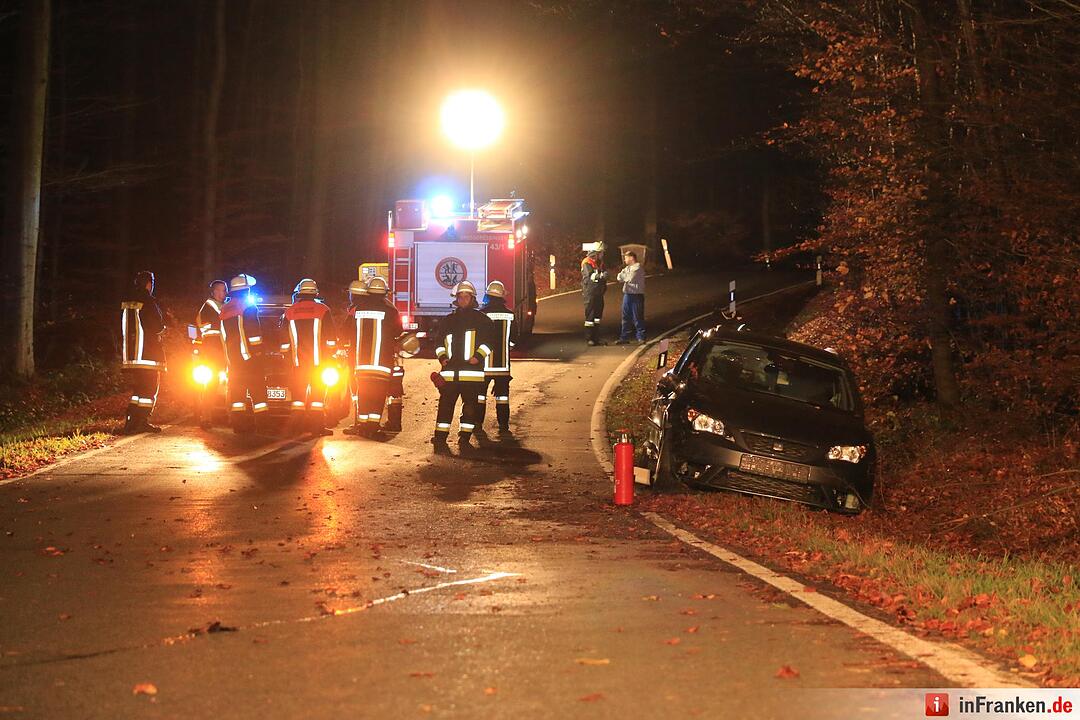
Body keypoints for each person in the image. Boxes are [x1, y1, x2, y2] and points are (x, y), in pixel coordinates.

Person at [432, 281, 492, 453]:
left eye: (467, 297)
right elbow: (439, 343)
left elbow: (489, 343)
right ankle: (440, 438)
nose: (463, 300)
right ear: (456, 299)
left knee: (470, 409)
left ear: (472, 299)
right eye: (461, 297)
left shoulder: (482, 320)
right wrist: (442, 357)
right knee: (445, 407)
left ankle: (464, 438)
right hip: (450, 375)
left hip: (472, 375)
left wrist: (478, 356)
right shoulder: (448, 321)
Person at [343, 276, 401, 437]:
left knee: (363, 393)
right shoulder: (391, 311)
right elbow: (398, 331)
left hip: (361, 363)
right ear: (384, 294)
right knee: (377, 395)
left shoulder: (357, 310)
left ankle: (362, 425)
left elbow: (345, 332)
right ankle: (372, 428)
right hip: (381, 363)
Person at [280, 278, 337, 435]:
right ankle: (316, 428)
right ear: (315, 293)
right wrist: (331, 354)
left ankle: (297, 428)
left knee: (298, 398)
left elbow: (283, 341)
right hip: (319, 363)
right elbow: (331, 338)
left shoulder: (289, 312)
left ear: (299, 293)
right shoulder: (323, 310)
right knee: (317, 398)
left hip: (297, 363)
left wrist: (286, 358)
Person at [120, 270, 166, 434]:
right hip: (148, 353)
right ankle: (141, 421)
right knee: (149, 390)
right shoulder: (148, 301)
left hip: (132, 355)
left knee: (138, 390)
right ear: (149, 283)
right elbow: (158, 326)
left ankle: (131, 421)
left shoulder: (127, 301)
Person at [219, 273, 267, 433]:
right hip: (249, 358)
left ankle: (239, 426)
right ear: (246, 290)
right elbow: (254, 334)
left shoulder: (224, 309)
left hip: (233, 360)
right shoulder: (248, 307)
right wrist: (259, 353)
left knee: (237, 396)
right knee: (258, 393)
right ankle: (262, 425)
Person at [477, 280, 514, 435]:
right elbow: (514, 339)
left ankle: (477, 425)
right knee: (502, 398)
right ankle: (503, 426)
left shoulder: (481, 314)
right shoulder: (510, 315)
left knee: (479, 397)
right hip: (502, 366)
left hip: (482, 365)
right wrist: (506, 348)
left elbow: (477, 338)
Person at [193, 280, 227, 427]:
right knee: (211, 386)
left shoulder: (223, 307)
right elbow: (204, 328)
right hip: (213, 353)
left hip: (223, 352)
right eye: (219, 291)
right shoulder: (209, 307)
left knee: (225, 386)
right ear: (213, 292)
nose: (222, 293)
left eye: (224, 291)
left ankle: (229, 416)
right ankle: (205, 418)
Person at [616, 250, 646, 344]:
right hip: (627, 295)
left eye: (626, 257)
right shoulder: (627, 268)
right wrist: (624, 276)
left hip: (636, 295)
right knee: (625, 317)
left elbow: (629, 278)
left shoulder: (637, 268)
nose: (624, 259)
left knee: (637, 317)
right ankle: (624, 337)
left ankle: (641, 337)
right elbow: (619, 277)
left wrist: (624, 276)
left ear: (631, 258)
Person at [580, 242, 607, 346]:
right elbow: (590, 276)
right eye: (601, 252)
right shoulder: (587, 262)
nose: (602, 254)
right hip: (590, 292)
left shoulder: (599, 262)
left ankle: (596, 338)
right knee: (590, 316)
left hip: (599, 292)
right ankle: (589, 338)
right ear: (596, 252)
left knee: (597, 317)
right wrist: (601, 276)